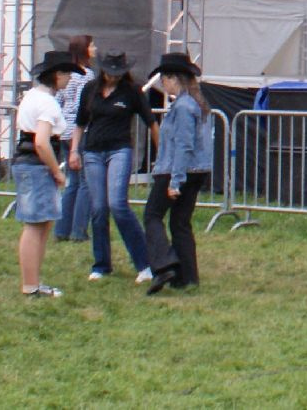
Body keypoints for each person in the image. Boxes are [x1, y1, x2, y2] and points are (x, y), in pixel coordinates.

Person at [72, 49, 156, 284]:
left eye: (118, 73)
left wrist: (161, 153)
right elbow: (80, 123)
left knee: (117, 204)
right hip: (93, 151)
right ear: (103, 71)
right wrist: (73, 151)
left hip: (120, 149)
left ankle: (144, 263)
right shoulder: (90, 90)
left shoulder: (132, 91)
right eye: (110, 73)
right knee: (98, 208)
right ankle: (101, 264)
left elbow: (151, 122)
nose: (114, 77)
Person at [142, 53, 214, 294]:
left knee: (152, 215)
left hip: (176, 169)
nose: (163, 84)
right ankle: (188, 276)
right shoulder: (198, 103)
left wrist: (175, 180)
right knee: (180, 222)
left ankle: (164, 264)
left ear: (174, 78)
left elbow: (184, 145)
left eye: (164, 79)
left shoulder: (183, 107)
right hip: (198, 170)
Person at [14, 49, 83, 298]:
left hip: (26, 163)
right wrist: (56, 171)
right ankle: (31, 285)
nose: (68, 81)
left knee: (39, 225)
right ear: (57, 75)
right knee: (35, 226)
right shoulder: (47, 103)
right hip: (36, 165)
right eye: (66, 75)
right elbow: (42, 142)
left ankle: (33, 283)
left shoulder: (32, 97)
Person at [52, 34, 95, 244]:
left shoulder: (66, 75)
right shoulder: (87, 75)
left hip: (64, 131)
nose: (95, 49)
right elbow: (83, 106)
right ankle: (79, 231)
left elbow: (58, 99)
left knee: (72, 183)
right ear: (85, 50)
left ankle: (62, 229)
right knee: (86, 183)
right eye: (92, 45)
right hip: (81, 131)